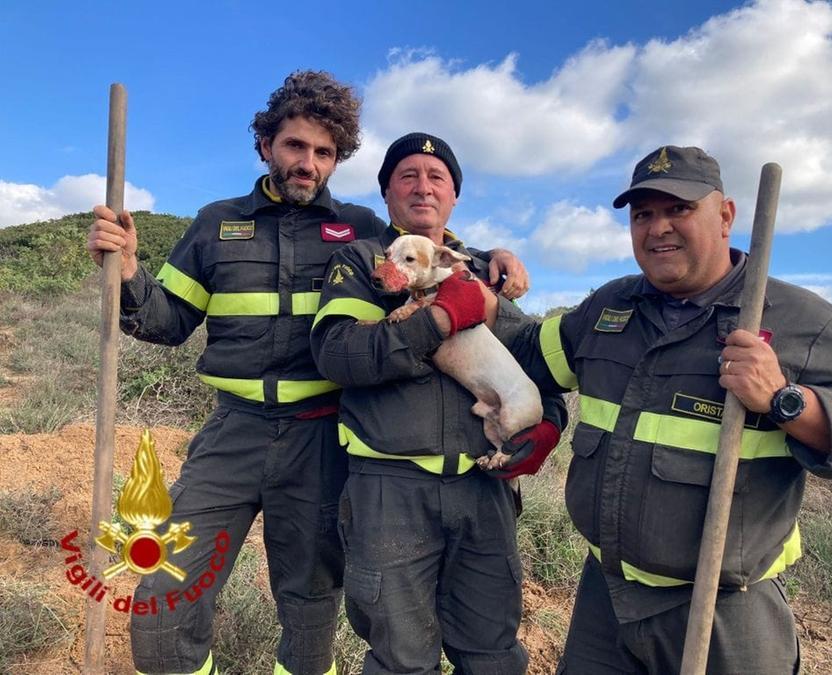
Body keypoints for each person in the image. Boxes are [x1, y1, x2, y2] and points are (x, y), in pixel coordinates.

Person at [86, 73, 527, 675]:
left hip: (321, 438)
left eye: (324, 153)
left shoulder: (361, 229)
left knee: (310, 605)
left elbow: (427, 253)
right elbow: (167, 321)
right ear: (265, 144)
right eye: (295, 146)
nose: (308, 163)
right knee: (165, 595)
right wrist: (131, 270)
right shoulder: (216, 224)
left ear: (337, 158)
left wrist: (492, 256)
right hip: (232, 434)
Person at [504, 146, 832, 673]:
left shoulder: (804, 321)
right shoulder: (609, 308)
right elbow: (529, 353)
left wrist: (785, 400)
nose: (658, 227)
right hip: (606, 598)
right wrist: (477, 273)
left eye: (678, 209)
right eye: (643, 214)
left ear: (726, 217)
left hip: (725, 613)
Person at [310, 132, 568, 674]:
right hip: (390, 493)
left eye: (437, 178)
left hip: (484, 492)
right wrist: (440, 318)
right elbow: (340, 355)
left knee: (493, 653)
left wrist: (550, 423)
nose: (423, 187)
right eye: (407, 176)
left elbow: (531, 362)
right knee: (402, 659)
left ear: (454, 197)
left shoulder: (480, 273)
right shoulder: (362, 262)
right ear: (386, 195)